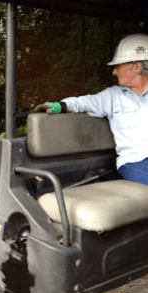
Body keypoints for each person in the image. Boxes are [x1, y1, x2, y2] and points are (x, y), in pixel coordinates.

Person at [33, 33, 148, 185]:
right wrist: (60, 106)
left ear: (137, 67)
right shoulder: (113, 96)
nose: (114, 72)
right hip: (134, 162)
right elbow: (85, 102)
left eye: (119, 66)